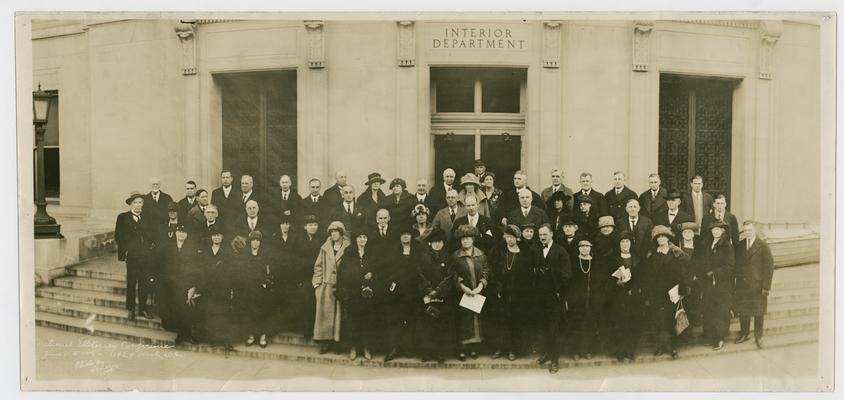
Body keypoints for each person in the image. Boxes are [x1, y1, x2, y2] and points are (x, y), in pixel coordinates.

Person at [488, 225, 534, 361]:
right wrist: (497, 287)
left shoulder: (525, 252)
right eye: (506, 237)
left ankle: (513, 349)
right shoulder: (498, 251)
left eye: (511, 237)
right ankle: (499, 348)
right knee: (500, 321)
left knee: (515, 321)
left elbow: (528, 274)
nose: (508, 240)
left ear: (517, 238)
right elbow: (492, 270)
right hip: (501, 291)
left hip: (519, 292)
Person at [381, 226, 425, 362]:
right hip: (397, 291)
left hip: (413, 290)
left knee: (411, 319)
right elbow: (387, 269)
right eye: (403, 234)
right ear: (399, 237)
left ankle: (409, 348)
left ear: (411, 236)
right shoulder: (393, 250)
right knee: (395, 319)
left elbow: (422, 269)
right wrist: (393, 282)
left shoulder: (417, 249)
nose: (405, 237)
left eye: (408, 234)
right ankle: (393, 348)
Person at [642, 225, 686, 360]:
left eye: (663, 236)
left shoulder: (676, 253)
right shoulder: (652, 254)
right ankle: (660, 346)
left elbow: (682, 273)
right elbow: (648, 275)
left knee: (672, 319)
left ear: (668, 238)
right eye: (658, 237)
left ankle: (673, 347)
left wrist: (681, 289)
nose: (661, 239)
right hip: (657, 292)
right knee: (658, 320)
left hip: (672, 291)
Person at [535, 224, 572, 373]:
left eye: (545, 234)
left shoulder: (560, 251)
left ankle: (555, 359)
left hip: (555, 296)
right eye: (540, 235)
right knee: (543, 326)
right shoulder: (537, 250)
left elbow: (567, 273)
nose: (542, 237)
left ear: (551, 234)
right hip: (540, 295)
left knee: (554, 328)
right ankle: (547, 354)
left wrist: (551, 273)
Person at [336, 230, 377, 361]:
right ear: (356, 239)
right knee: (353, 320)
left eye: (364, 236)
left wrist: (372, 274)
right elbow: (343, 272)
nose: (362, 240)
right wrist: (358, 278)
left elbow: (378, 269)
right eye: (360, 237)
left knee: (368, 320)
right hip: (353, 292)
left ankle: (366, 347)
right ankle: (353, 347)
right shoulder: (349, 252)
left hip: (369, 292)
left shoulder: (372, 252)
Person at [451, 225, 490, 361]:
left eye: (468, 238)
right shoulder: (456, 256)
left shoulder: (481, 254)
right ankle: (462, 349)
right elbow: (453, 273)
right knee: (463, 320)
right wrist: (462, 286)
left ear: (473, 239)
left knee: (476, 320)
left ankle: (473, 348)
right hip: (462, 294)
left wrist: (480, 285)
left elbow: (486, 271)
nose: (465, 241)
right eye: (463, 239)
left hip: (477, 293)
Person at [733, 221, 775, 349]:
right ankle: (744, 334)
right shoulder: (740, 246)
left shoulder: (762, 246)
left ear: (755, 230)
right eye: (745, 230)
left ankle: (758, 336)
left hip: (757, 285)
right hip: (742, 285)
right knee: (743, 311)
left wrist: (766, 287)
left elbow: (769, 267)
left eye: (749, 230)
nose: (747, 233)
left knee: (758, 312)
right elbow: (736, 265)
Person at [115, 191, 155, 321]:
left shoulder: (147, 217)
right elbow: (118, 236)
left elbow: (152, 236)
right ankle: (131, 309)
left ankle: (142, 308)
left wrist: (150, 248)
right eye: (135, 203)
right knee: (132, 282)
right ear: (130, 204)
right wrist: (125, 252)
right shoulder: (122, 217)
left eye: (140, 202)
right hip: (132, 255)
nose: (138, 205)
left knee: (144, 282)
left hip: (145, 255)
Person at [417, 228, 455, 363]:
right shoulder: (423, 257)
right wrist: (429, 289)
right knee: (427, 323)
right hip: (427, 295)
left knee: (441, 324)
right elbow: (420, 275)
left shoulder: (448, 257)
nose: (437, 244)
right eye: (434, 242)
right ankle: (427, 352)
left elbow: (450, 276)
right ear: (429, 243)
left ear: (443, 243)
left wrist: (437, 291)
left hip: (443, 295)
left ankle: (439, 352)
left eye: (439, 242)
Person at [312, 221, 350, 354]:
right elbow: (318, 266)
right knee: (324, 316)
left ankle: (337, 343)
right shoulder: (325, 248)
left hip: (341, 286)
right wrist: (318, 283)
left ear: (341, 233)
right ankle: (324, 343)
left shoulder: (348, 247)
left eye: (336, 232)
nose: (334, 234)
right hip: (326, 287)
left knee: (339, 317)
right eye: (331, 232)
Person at [567, 238, 608, 361]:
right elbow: (570, 282)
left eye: (587, 246)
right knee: (576, 325)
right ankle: (576, 351)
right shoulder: (574, 262)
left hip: (592, 299)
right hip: (577, 300)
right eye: (582, 246)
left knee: (589, 325)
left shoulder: (596, 263)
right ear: (578, 248)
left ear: (591, 248)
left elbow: (600, 282)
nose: (585, 248)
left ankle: (588, 350)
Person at [197, 223, 236, 352]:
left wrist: (229, 287)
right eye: (214, 235)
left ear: (222, 237)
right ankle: (213, 339)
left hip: (222, 287)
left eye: (218, 235)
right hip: (209, 287)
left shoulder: (228, 252)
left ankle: (225, 340)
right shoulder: (206, 251)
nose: (216, 238)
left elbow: (231, 270)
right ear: (211, 237)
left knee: (223, 313)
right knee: (211, 313)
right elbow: (202, 269)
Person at [235, 230, 276, 349]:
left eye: (257, 241)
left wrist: (265, 282)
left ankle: (262, 336)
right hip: (248, 288)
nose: (255, 243)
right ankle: (251, 336)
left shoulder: (265, 255)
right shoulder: (244, 255)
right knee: (249, 312)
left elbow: (269, 272)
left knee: (262, 312)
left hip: (261, 289)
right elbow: (242, 271)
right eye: (253, 240)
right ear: (250, 242)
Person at [607, 231, 643, 362]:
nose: (625, 244)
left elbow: (641, 278)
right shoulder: (613, 258)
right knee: (619, 323)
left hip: (633, 296)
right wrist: (616, 282)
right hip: (618, 295)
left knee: (632, 323)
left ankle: (631, 350)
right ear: (619, 244)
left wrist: (634, 289)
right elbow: (608, 277)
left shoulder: (637, 258)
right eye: (622, 241)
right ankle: (621, 350)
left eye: (627, 241)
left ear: (631, 243)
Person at [701, 220, 735, 351]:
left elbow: (730, 267)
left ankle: (720, 338)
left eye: (718, 229)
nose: (715, 231)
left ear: (723, 231)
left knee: (721, 311)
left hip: (722, 284)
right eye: (713, 229)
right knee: (710, 309)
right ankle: (711, 337)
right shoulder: (709, 243)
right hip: (709, 283)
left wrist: (714, 272)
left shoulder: (727, 246)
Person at [160, 224, 197, 340]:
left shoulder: (191, 248)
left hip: (184, 282)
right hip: (169, 281)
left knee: (182, 306)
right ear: (175, 233)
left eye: (184, 232)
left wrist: (192, 284)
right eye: (179, 232)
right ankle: (172, 326)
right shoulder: (168, 246)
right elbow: (162, 264)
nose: (181, 234)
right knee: (170, 304)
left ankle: (183, 333)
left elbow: (194, 267)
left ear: (187, 235)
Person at [296, 215, 324, 340]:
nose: (313, 227)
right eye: (310, 225)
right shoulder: (299, 240)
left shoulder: (322, 240)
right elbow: (296, 259)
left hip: (317, 276)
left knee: (316, 303)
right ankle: (305, 330)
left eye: (315, 225)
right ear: (305, 227)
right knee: (305, 302)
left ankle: (316, 331)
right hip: (303, 277)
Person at [676, 222, 706, 339]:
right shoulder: (678, 247)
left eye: (690, 232)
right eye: (685, 232)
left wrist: (697, 275)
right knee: (683, 306)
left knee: (694, 305)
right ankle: (684, 333)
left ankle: (694, 331)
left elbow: (703, 264)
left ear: (693, 234)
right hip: (683, 281)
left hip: (695, 281)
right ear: (682, 234)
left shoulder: (699, 247)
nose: (687, 234)